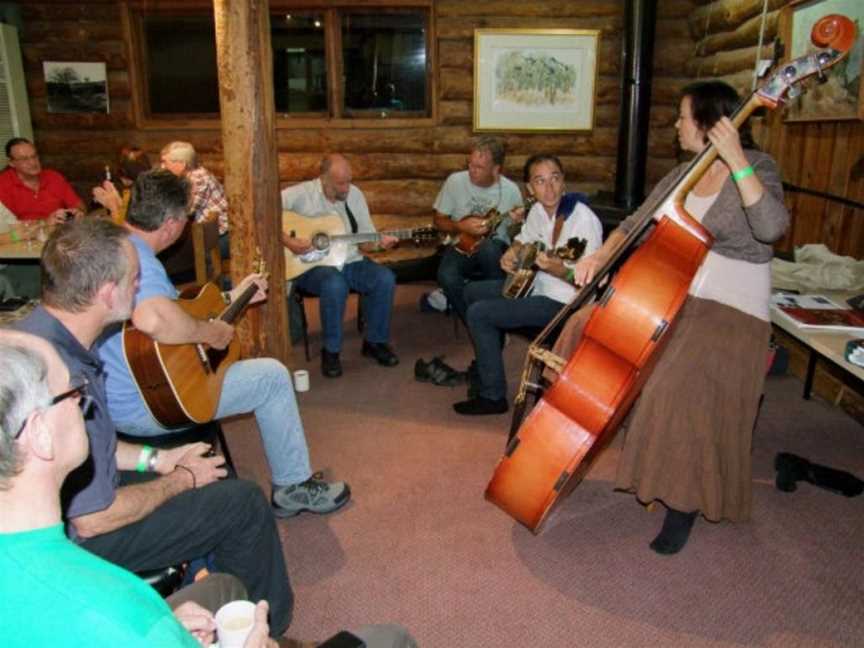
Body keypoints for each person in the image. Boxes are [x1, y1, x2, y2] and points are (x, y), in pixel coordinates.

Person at [13, 218, 295, 636]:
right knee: (243, 502)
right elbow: (92, 520)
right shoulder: (59, 372)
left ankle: (206, 587)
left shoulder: (42, 334)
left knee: (207, 468)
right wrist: (181, 479)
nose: (141, 284)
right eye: (135, 277)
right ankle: (263, 632)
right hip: (76, 540)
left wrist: (160, 459)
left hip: (71, 500)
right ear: (108, 292)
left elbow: (97, 443)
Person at [564, 80, 790, 554]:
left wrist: (738, 160)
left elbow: (771, 228)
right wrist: (598, 258)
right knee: (583, 327)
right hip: (675, 296)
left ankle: (683, 500)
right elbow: (634, 223)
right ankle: (572, 445)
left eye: (682, 117)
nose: (675, 126)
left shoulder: (759, 166)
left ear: (712, 124)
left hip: (732, 307)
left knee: (675, 384)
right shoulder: (683, 173)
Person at [93, 170, 349, 520]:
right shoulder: (141, 263)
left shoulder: (114, 243)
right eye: (186, 218)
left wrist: (236, 295)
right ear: (170, 224)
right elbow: (154, 320)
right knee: (272, 377)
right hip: (150, 405)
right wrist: (208, 332)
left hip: (113, 398)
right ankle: (292, 487)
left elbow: (175, 310)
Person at [0, 329, 276, 648]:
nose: (83, 400)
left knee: (223, 588)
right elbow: (117, 627)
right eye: (73, 392)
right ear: (39, 434)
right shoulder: (114, 609)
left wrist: (167, 625)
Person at [452, 154, 602, 416]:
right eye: (540, 181)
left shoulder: (583, 220)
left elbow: (587, 284)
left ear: (563, 181)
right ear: (530, 189)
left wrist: (556, 268)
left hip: (565, 303)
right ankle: (489, 358)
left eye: (555, 179)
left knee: (480, 314)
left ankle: (493, 396)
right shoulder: (538, 211)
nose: (550, 187)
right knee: (471, 291)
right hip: (536, 285)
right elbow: (525, 239)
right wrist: (513, 251)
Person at [281, 154, 399, 378]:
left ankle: (375, 342)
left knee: (384, 279)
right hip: (311, 266)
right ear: (324, 180)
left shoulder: (355, 195)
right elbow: (265, 211)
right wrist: (289, 242)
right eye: (340, 184)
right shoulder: (301, 194)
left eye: (349, 181)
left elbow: (366, 242)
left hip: (350, 259)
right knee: (335, 285)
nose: (346, 188)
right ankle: (331, 351)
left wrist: (380, 244)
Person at [433, 136, 525, 324]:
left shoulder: (511, 191)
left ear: (496, 169)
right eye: (470, 164)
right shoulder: (455, 181)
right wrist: (460, 225)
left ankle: (496, 316)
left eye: (479, 167)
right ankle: (476, 321)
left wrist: (518, 223)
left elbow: (519, 236)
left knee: (489, 248)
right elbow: (438, 221)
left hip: (494, 249)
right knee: (446, 275)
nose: (471, 171)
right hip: (461, 243)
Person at [161, 141, 230, 258]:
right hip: (211, 234)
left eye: (164, 162)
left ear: (182, 164)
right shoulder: (191, 175)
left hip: (220, 237)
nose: (162, 167)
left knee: (172, 255)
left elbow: (186, 210)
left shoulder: (197, 179)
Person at [0, 137, 83, 223]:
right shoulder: (3, 184)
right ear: (11, 163)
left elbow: (79, 205)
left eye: (34, 156)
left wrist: (78, 211)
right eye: (24, 159)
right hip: (28, 235)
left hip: (62, 231)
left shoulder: (53, 176)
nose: (33, 162)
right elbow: (9, 227)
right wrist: (45, 223)